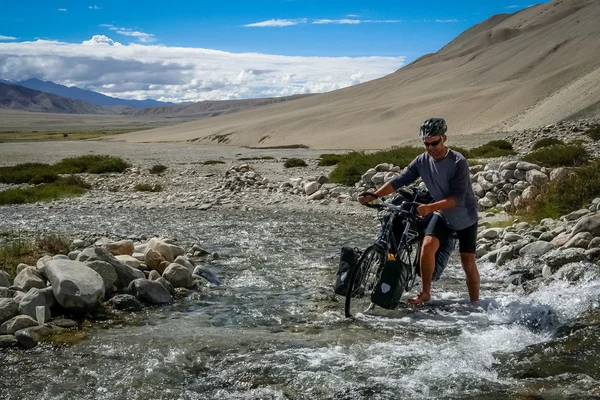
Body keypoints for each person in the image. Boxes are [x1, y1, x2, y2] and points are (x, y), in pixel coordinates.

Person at [359, 118, 480, 305]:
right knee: (427, 246)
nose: (431, 147)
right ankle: (425, 293)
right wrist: (374, 195)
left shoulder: (458, 162)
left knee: (468, 263)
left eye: (435, 142)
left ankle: (475, 304)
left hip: (465, 216)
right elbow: (400, 180)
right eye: (426, 143)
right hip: (442, 214)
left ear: (444, 138)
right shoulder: (422, 161)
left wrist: (430, 207)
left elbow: (457, 198)